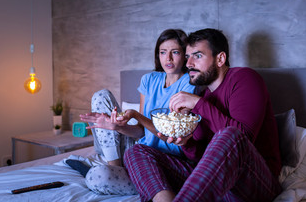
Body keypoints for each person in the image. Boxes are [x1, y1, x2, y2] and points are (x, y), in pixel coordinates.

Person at [123, 28, 283, 202]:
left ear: (220, 59)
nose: (189, 63)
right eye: (188, 56)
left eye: (197, 56)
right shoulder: (205, 96)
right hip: (215, 184)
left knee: (229, 134)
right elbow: (200, 156)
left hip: (254, 182)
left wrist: (198, 104)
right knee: (136, 151)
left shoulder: (244, 78)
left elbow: (242, 138)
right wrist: (186, 142)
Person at [66, 29, 196, 195]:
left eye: (175, 52)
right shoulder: (149, 80)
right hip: (136, 150)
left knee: (96, 177)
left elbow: (171, 134)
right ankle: (116, 167)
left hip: (163, 158)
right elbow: (140, 132)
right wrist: (116, 127)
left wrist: (136, 115)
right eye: (163, 52)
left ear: (185, 55)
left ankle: (121, 174)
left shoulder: (189, 85)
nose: (168, 58)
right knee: (101, 96)